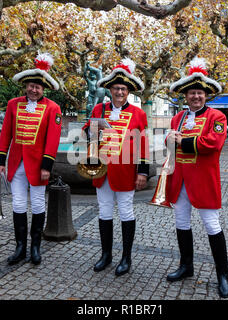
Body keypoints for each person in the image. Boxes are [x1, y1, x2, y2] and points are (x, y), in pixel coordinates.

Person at [166, 57, 228, 298]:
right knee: (181, 223)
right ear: (186, 96)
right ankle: (186, 266)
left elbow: (213, 144)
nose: (196, 97)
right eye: (192, 93)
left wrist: (182, 140)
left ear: (206, 96)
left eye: (200, 93)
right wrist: (168, 140)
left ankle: (223, 276)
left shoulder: (217, 117)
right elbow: (170, 144)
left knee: (212, 226)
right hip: (180, 180)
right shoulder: (177, 118)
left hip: (203, 181)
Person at [82, 58, 149, 276]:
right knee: (104, 211)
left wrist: (142, 171)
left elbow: (143, 144)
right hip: (102, 170)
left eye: (123, 88)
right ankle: (106, 255)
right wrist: (94, 126)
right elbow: (86, 134)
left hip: (125, 170)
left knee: (126, 211)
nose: (119, 92)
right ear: (109, 89)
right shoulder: (99, 108)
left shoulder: (138, 114)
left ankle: (126, 257)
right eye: (116, 88)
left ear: (128, 91)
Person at [0, 53, 62, 265]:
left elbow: (53, 139)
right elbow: (6, 134)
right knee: (18, 205)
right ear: (26, 86)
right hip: (16, 164)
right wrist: (0, 162)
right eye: (31, 86)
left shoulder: (53, 108)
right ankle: (20, 247)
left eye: (38, 87)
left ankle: (35, 247)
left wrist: (47, 166)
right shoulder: (13, 104)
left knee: (38, 205)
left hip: (38, 166)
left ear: (44, 89)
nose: (34, 90)